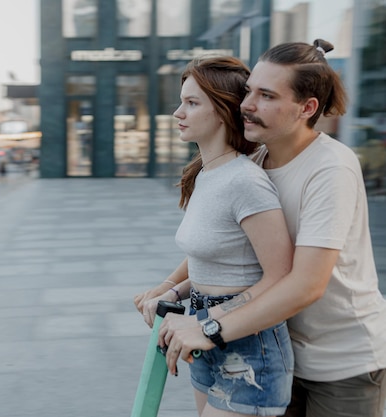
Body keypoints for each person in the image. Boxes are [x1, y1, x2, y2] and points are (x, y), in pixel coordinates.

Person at [150, 39, 386, 417]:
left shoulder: (331, 168)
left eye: (266, 95)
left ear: (306, 108)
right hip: (273, 342)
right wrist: (170, 286)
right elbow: (221, 244)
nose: (246, 104)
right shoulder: (256, 159)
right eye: (249, 92)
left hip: (342, 360)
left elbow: (306, 283)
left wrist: (209, 328)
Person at [136, 56, 295, 416]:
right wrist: (171, 290)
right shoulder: (208, 175)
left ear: (223, 112)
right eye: (182, 101)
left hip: (249, 347)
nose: (178, 112)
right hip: (204, 331)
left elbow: (280, 276)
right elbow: (217, 260)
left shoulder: (245, 181)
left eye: (192, 103)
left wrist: (207, 323)